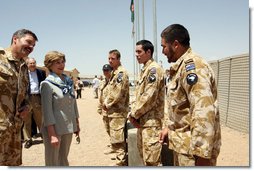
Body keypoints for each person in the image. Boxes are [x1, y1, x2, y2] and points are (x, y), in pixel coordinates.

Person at [159, 24, 221, 166]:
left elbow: (204, 111)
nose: (162, 51)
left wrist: (202, 155)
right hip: (184, 148)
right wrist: (169, 128)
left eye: (164, 46)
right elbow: (183, 108)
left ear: (175, 44)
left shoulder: (193, 67)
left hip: (193, 154)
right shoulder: (180, 68)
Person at [0, 29, 38, 166]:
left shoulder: (23, 66)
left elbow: (25, 94)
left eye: (33, 45)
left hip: (14, 132)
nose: (31, 47)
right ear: (15, 39)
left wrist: (27, 106)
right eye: (28, 42)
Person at [128, 40, 165, 166]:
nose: (136, 55)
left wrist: (133, 114)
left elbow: (148, 97)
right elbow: (139, 96)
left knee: (152, 162)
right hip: (143, 123)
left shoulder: (154, 70)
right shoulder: (145, 70)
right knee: (145, 159)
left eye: (139, 52)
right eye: (136, 52)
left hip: (152, 124)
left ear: (148, 52)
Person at [40, 51, 80, 166]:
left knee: (63, 160)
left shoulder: (68, 82)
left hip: (68, 127)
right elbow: (47, 112)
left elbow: (73, 103)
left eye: (62, 62)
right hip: (54, 129)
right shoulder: (47, 84)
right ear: (50, 65)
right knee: (52, 162)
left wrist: (76, 123)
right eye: (57, 62)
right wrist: (52, 135)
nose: (61, 65)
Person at [103, 49, 129, 166]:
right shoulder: (114, 73)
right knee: (115, 137)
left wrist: (107, 104)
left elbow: (117, 92)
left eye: (112, 59)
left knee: (118, 139)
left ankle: (121, 162)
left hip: (118, 112)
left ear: (118, 59)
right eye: (109, 58)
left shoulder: (121, 73)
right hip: (112, 112)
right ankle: (119, 158)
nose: (110, 61)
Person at [22, 58, 46, 149]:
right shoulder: (23, 72)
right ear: (27, 64)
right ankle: (28, 140)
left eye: (34, 63)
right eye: (30, 63)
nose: (32, 64)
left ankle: (45, 137)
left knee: (40, 119)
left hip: (37, 98)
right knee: (26, 120)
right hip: (26, 98)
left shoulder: (41, 72)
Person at [97, 64, 114, 154]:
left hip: (112, 110)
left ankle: (114, 146)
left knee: (113, 129)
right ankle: (112, 142)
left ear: (111, 71)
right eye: (104, 70)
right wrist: (99, 107)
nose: (105, 72)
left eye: (107, 70)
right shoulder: (103, 82)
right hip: (104, 110)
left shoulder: (114, 81)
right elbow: (101, 96)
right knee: (107, 128)